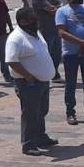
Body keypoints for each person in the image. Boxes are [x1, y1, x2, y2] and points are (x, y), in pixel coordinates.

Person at [5, 8, 58, 155]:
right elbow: (11, 61)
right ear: (22, 21)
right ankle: (28, 144)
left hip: (42, 81)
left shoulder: (35, 33)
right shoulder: (16, 38)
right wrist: (27, 76)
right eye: (32, 19)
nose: (36, 21)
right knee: (30, 113)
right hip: (28, 83)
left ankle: (40, 137)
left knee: (41, 110)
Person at [31, 0, 62, 81]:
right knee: (46, 53)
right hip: (45, 29)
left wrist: (56, 7)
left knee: (57, 53)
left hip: (55, 27)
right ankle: (44, 73)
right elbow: (52, 10)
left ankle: (54, 72)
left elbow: (58, 5)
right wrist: (56, 7)